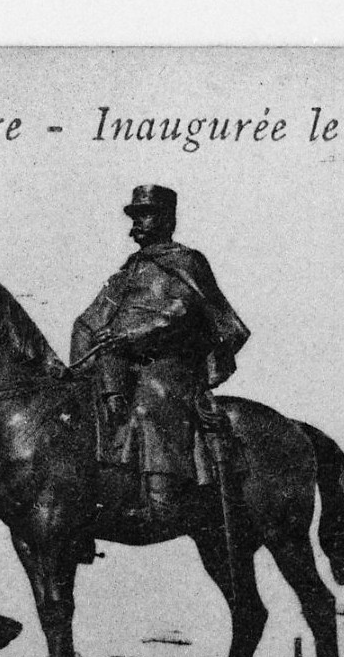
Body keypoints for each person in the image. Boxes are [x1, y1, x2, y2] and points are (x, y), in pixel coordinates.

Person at [68, 184, 252, 522]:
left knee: (148, 405)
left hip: (170, 365)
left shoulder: (186, 261)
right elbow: (89, 318)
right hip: (120, 365)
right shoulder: (127, 270)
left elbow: (183, 312)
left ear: (167, 218)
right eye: (135, 216)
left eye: (145, 214)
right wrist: (79, 363)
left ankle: (162, 498)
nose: (137, 223)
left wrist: (129, 335)